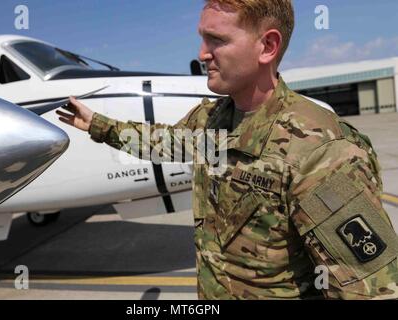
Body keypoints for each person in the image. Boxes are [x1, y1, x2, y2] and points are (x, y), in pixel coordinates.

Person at [56, 0, 398, 300]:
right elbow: (164, 143)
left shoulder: (320, 150)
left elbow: (370, 289)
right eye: (203, 38)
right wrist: (99, 125)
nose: (202, 53)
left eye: (216, 40)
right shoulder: (212, 120)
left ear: (267, 46)